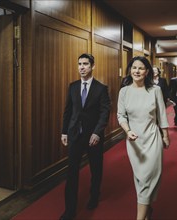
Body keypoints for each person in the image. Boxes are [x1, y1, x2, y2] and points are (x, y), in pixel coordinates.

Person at [117, 56, 170, 220]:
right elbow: (121, 116)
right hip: (134, 142)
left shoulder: (155, 90)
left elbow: (161, 114)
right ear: (130, 70)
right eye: (134, 68)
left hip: (152, 139)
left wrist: (166, 135)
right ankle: (147, 210)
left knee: (148, 178)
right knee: (141, 179)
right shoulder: (124, 91)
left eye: (141, 68)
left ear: (147, 72)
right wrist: (127, 131)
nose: (137, 71)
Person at [60, 53, 111, 220]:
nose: (82, 67)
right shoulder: (73, 86)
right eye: (79, 64)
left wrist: (97, 132)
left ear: (92, 66)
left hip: (93, 137)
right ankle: (70, 210)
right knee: (71, 173)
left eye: (85, 64)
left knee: (96, 169)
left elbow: (105, 113)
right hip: (75, 135)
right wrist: (64, 131)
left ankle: (94, 196)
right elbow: (68, 111)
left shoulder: (101, 88)